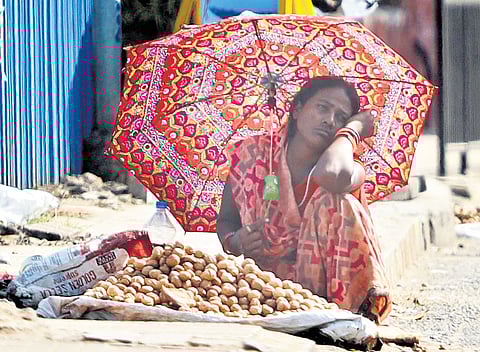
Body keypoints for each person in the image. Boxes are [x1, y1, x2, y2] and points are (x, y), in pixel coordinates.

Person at [216, 76, 391, 323]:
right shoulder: (255, 157)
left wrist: (352, 132)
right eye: (322, 107)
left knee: (335, 201)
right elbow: (225, 221)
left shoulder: (346, 167)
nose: (329, 121)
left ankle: (349, 313)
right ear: (297, 110)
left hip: (328, 298)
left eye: (341, 117)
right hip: (265, 293)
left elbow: (330, 174)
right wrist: (236, 241)